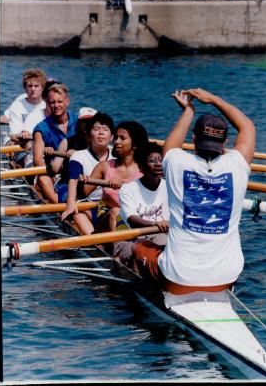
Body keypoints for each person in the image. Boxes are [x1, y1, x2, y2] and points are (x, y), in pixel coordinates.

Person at [132, 88, 256, 296]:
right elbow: (248, 127)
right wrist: (214, 99)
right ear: (225, 143)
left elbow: (172, 144)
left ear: (194, 139)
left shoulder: (176, 161)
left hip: (177, 278)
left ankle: (150, 293)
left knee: (138, 247)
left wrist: (188, 110)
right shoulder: (238, 163)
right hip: (227, 277)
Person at [81, 121, 149, 233]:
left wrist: (125, 187)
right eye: (116, 137)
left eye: (122, 138)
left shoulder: (145, 170)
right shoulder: (104, 166)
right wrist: (83, 180)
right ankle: (116, 248)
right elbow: (82, 193)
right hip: (107, 218)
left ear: (135, 145)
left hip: (136, 217)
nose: (116, 141)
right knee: (116, 211)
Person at [59, 111, 115, 234]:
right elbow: (72, 179)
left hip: (112, 204)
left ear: (111, 137)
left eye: (105, 129)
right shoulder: (79, 156)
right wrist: (70, 205)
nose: (101, 133)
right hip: (87, 205)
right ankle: (96, 244)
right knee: (78, 215)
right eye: (96, 129)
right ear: (89, 136)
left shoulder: (117, 155)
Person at [115, 142, 169, 266]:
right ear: (141, 168)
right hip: (130, 239)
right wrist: (155, 223)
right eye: (152, 161)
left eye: (160, 159)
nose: (158, 164)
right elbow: (133, 221)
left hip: (161, 236)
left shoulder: (169, 187)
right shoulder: (128, 189)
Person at [33, 82, 78, 202]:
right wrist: (54, 172)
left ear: (67, 102)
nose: (56, 105)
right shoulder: (41, 129)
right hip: (54, 173)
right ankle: (60, 207)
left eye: (60, 102)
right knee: (42, 178)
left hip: (77, 171)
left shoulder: (79, 121)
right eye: (52, 102)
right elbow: (38, 162)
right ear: (48, 104)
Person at [5, 69, 47, 165]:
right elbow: (14, 135)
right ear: (25, 88)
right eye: (30, 86)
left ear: (43, 88)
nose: (33, 89)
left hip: (44, 146)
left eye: (36, 86)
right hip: (22, 147)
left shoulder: (47, 106)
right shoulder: (17, 106)